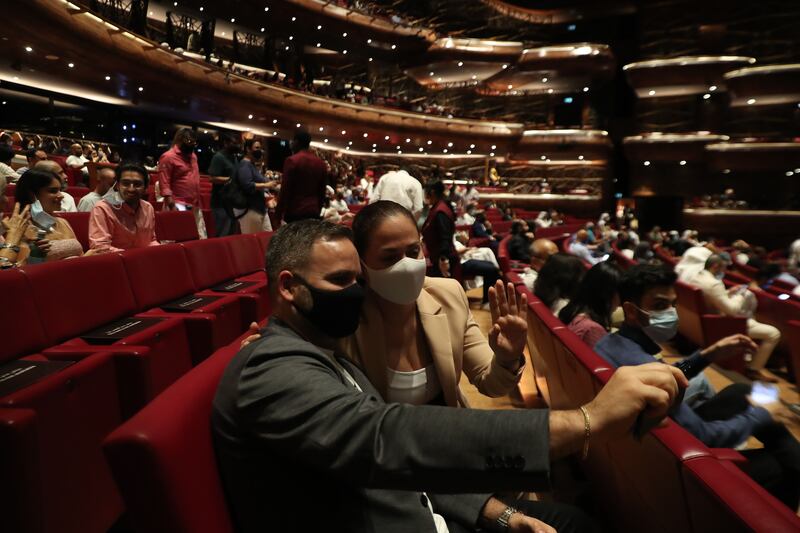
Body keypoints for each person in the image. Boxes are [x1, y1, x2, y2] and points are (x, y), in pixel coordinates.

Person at [213, 218, 689, 533]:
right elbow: (387, 437)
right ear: (289, 288)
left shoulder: (324, 347)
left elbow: (399, 458)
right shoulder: (270, 367)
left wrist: (498, 515)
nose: (354, 293)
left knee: (573, 523)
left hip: (437, 505)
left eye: (357, 279)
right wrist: (585, 419)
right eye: (340, 282)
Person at [595, 264, 800, 509]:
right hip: (672, 468)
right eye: (660, 306)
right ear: (631, 311)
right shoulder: (648, 370)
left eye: (673, 304)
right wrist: (761, 414)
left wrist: (707, 355)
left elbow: (666, 375)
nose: (672, 313)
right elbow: (704, 437)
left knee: (741, 392)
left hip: (648, 444)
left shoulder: (609, 343)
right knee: (779, 462)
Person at [687, 254, 781, 383]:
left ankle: (748, 358)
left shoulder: (697, 277)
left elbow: (712, 297)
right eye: (724, 268)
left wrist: (728, 293)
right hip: (722, 324)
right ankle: (753, 369)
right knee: (773, 333)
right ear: (715, 266)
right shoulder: (714, 283)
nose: (725, 271)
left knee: (752, 319)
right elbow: (732, 311)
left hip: (709, 319)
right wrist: (742, 294)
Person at [3, 169, 89, 265]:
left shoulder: (62, 222)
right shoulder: (18, 228)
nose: (61, 195)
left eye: (60, 190)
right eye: (53, 191)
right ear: (32, 194)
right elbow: (18, 268)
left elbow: (80, 255)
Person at [88, 163, 159, 253]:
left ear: (145, 187)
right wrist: (133, 257)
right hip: (115, 264)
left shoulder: (148, 208)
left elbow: (151, 241)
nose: (131, 189)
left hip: (143, 261)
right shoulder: (103, 208)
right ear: (117, 185)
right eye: (125, 183)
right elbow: (100, 247)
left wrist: (162, 252)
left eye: (137, 184)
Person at [559, 262, 622, 348]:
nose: (621, 299)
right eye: (619, 293)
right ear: (606, 295)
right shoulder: (592, 330)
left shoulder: (572, 309)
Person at [158, 128, 207, 238]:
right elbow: (164, 183)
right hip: (177, 203)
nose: (192, 145)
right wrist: (171, 205)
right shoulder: (168, 157)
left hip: (194, 203)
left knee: (196, 237)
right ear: (180, 140)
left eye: (194, 142)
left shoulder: (193, 156)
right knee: (179, 236)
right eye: (189, 142)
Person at [275, 130, 329, 224]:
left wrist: (278, 215)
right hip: (313, 211)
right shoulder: (321, 164)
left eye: (292, 141)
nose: (291, 143)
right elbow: (322, 192)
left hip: (295, 211)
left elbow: (285, 189)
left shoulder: (292, 160)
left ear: (297, 142)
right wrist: (318, 209)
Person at [421, 180, 459, 279]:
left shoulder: (440, 211)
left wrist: (443, 259)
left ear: (432, 192)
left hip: (444, 260)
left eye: (426, 192)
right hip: (437, 257)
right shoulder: (437, 207)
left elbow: (444, 237)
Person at [234, 138, 273, 234]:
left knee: (268, 239)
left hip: (260, 209)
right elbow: (247, 185)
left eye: (260, 148)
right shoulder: (244, 165)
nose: (259, 151)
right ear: (248, 149)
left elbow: (261, 180)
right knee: (250, 241)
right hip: (250, 209)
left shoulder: (252, 165)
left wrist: (271, 185)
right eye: (256, 148)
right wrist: (266, 184)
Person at [207, 133, 240, 237]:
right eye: (234, 143)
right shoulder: (219, 157)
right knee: (222, 234)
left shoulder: (233, 157)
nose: (237, 146)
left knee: (231, 234)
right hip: (220, 203)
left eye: (238, 143)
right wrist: (230, 180)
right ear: (226, 143)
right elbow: (212, 178)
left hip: (232, 203)